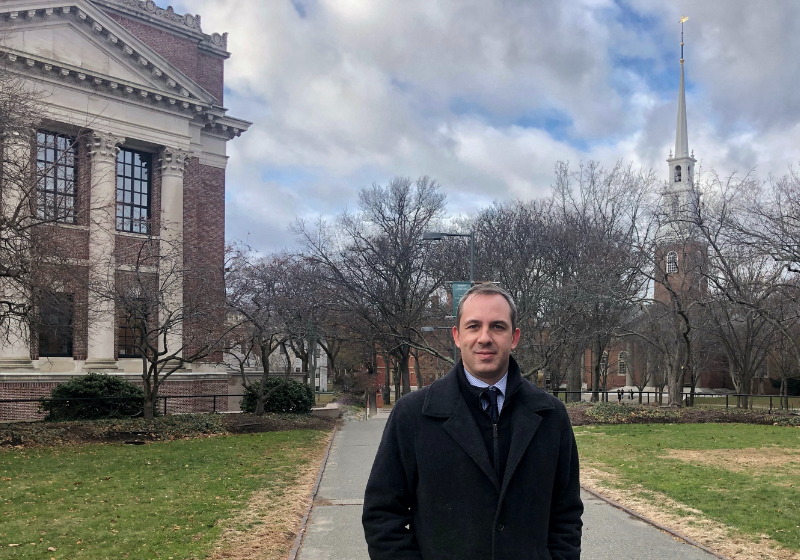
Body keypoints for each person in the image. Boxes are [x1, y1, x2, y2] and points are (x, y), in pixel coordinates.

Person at [362, 283, 583, 560]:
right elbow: (382, 515)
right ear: (457, 336)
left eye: (498, 327)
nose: (484, 337)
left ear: (514, 337)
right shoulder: (413, 416)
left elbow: (566, 515)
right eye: (473, 326)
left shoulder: (551, 416)